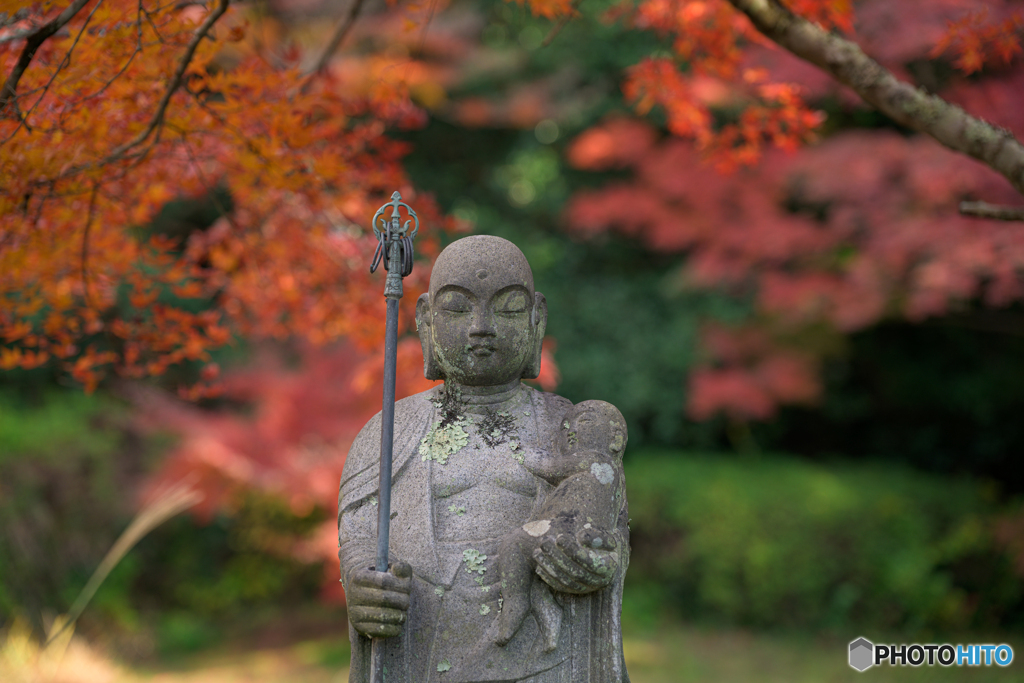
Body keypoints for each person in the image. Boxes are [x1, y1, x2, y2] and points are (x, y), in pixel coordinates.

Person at [338, 235, 630, 682]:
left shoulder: (567, 428)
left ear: (537, 318)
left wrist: (587, 559)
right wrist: (366, 584)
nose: (481, 326)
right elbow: (358, 533)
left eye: (508, 308)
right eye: (457, 308)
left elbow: (603, 527)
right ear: (426, 320)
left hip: (542, 650)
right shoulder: (390, 430)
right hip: (425, 642)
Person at [495, 400, 627, 653]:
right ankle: (549, 623)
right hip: (573, 534)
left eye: (585, 421)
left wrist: (518, 449)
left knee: (513, 543)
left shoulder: (596, 460)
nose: (571, 431)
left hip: (564, 531)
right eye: (565, 427)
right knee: (540, 579)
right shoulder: (610, 475)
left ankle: (515, 602)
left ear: (616, 439)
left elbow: (549, 467)